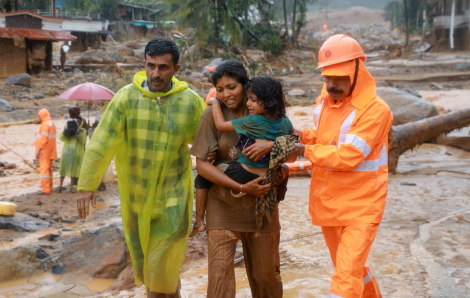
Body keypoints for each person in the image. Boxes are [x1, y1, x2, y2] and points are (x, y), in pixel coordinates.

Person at [75, 37, 205, 297]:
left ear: (176, 69)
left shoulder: (189, 103)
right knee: (154, 272)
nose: (156, 73)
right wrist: (87, 185)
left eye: (163, 67)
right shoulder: (126, 99)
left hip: (173, 198)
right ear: (143, 64)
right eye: (151, 66)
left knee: (160, 271)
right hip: (136, 199)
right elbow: (102, 142)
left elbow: (208, 144)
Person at [288, 34, 393, 298]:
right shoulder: (325, 100)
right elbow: (325, 138)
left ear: (357, 70)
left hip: (361, 207)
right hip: (330, 201)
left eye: (339, 78)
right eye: (327, 78)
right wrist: (299, 136)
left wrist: (302, 149)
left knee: (345, 280)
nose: (332, 84)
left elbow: (349, 155)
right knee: (354, 270)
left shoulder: (375, 110)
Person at [190, 60, 283, 298]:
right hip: (223, 204)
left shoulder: (268, 112)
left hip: (262, 206)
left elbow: (294, 146)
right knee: (219, 281)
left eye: (232, 87)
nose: (226, 94)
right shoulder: (213, 114)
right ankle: (200, 219)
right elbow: (201, 165)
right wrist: (241, 186)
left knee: (267, 279)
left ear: (245, 85)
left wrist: (271, 145)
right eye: (220, 90)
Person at [58, 117, 87, 193]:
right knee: (63, 169)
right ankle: (60, 185)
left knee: (74, 170)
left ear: (81, 123)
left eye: (79, 122)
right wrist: (66, 129)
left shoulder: (82, 131)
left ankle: (71, 186)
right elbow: (61, 138)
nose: (77, 123)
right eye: (75, 122)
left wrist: (76, 133)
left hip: (77, 154)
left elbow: (83, 140)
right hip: (67, 152)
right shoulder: (68, 130)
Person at [35, 109, 57, 195]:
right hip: (51, 150)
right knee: (49, 170)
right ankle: (49, 188)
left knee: (44, 171)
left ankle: (45, 189)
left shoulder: (44, 125)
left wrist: (39, 150)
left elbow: (43, 139)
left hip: (44, 151)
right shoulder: (52, 124)